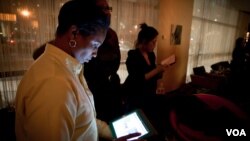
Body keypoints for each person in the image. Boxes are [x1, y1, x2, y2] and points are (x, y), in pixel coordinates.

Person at [15, 0, 141, 141]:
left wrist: (114, 132)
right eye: (95, 45)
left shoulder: (68, 68)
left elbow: (84, 121)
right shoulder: (54, 83)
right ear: (74, 33)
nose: (96, 54)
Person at [122, 23, 173, 141]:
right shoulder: (133, 55)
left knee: (156, 118)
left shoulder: (151, 55)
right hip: (136, 93)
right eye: (153, 42)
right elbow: (138, 79)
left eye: (156, 41)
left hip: (149, 92)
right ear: (144, 41)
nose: (155, 44)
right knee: (141, 122)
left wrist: (161, 72)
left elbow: (152, 75)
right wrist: (157, 70)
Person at [84, 0, 123, 124]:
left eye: (108, 8)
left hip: (109, 86)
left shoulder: (112, 34)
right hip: (91, 88)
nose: (107, 13)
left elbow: (117, 58)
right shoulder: (84, 33)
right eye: (102, 9)